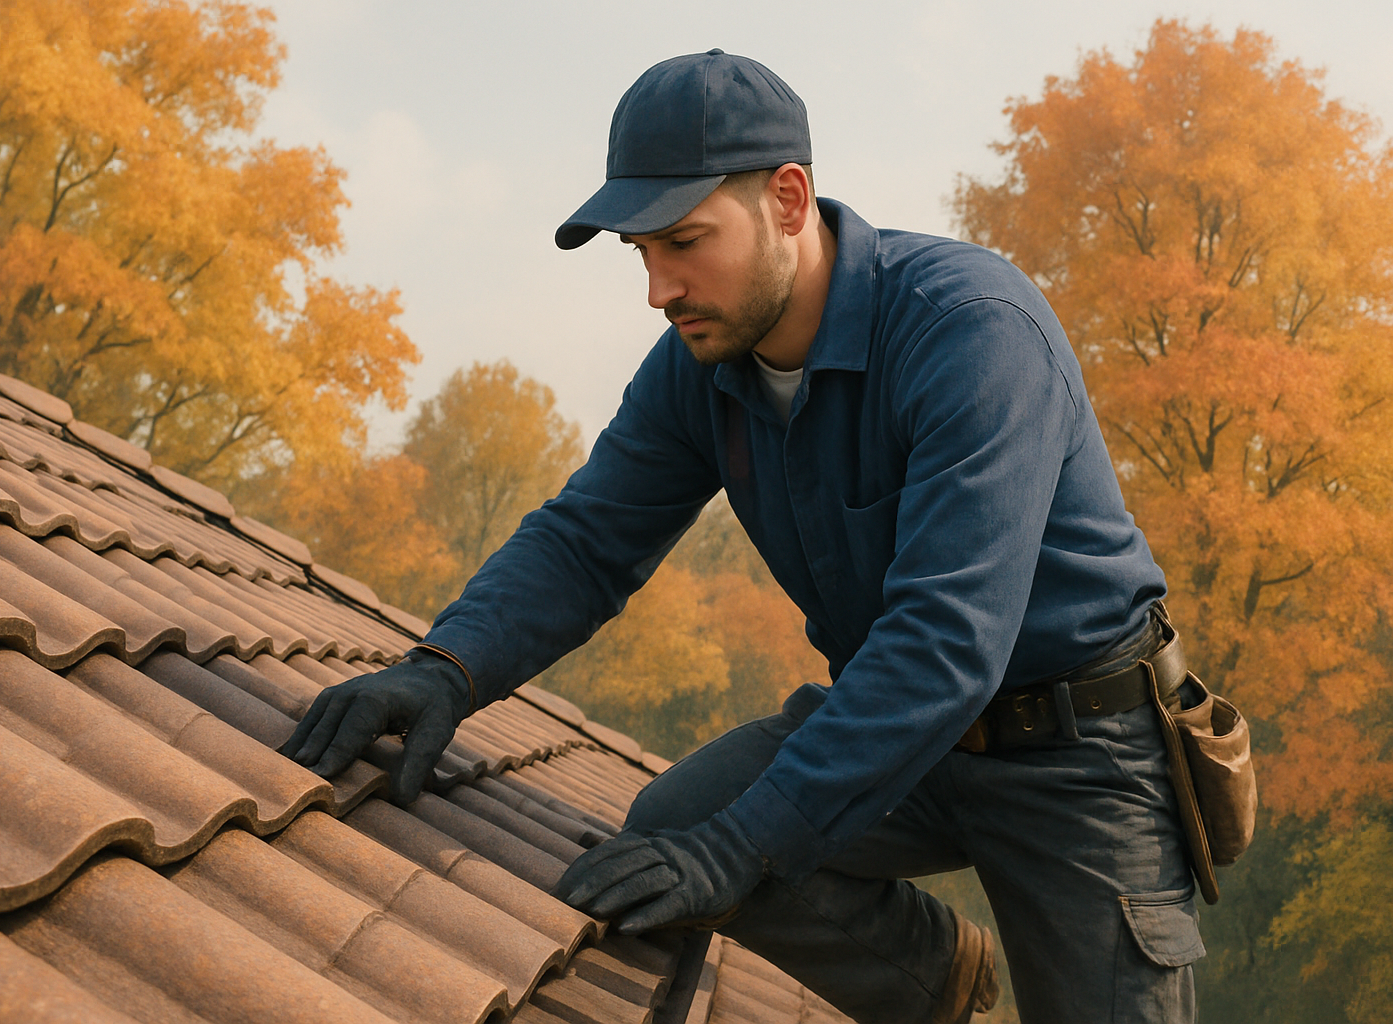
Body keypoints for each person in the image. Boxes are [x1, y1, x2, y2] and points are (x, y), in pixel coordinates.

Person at [282, 49, 1205, 1024]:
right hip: (905, 737)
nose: (659, 289)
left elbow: (946, 641)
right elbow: (587, 540)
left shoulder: (970, 330)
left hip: (1079, 751)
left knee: (735, 842)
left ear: (790, 199)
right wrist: (445, 668)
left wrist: (741, 851)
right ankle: (938, 986)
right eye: (641, 253)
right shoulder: (700, 362)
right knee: (674, 823)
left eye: (685, 241)